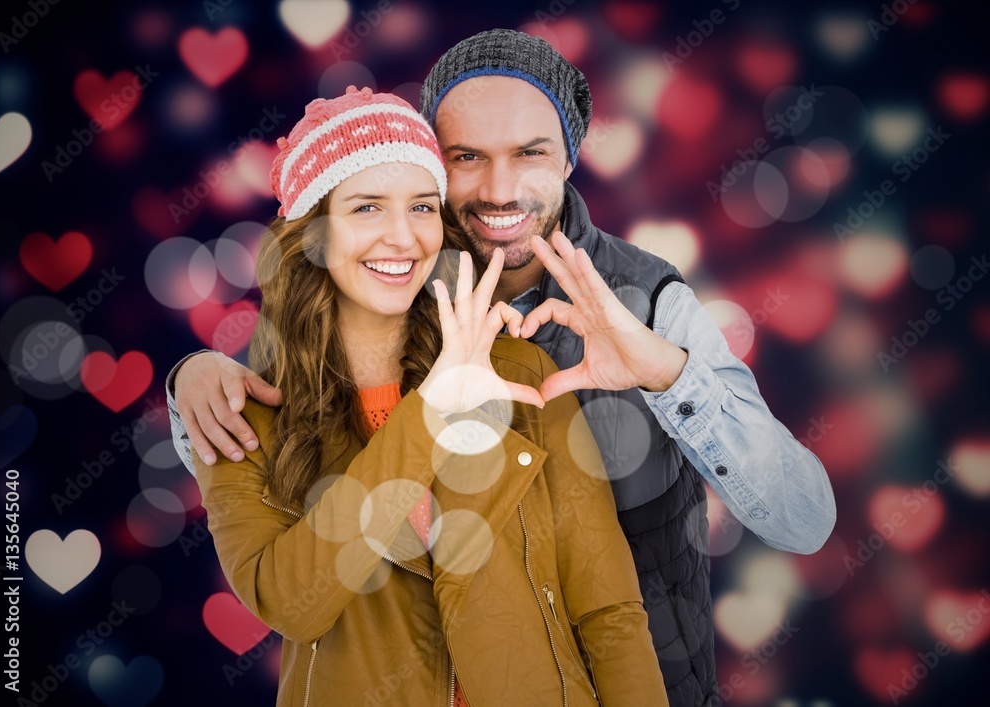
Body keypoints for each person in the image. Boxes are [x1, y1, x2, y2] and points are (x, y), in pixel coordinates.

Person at [169, 31, 836, 706]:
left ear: (571, 159)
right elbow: (273, 440)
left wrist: (666, 373)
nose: (499, 188)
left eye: (531, 154)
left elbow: (800, 521)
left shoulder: (647, 301)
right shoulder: (385, 282)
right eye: (466, 157)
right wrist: (191, 381)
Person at [191, 85, 669, 705]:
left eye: (421, 207)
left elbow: (609, 608)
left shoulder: (521, 371)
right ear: (313, 234)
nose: (403, 237)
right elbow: (291, 604)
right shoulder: (242, 417)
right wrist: (433, 409)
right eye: (366, 208)